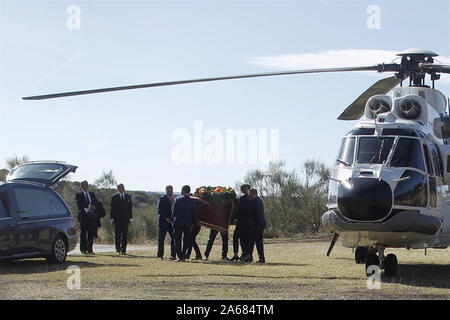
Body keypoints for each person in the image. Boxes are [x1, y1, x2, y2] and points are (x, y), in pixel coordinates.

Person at [76, 181, 105, 255]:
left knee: (91, 233)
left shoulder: (91, 194)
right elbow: (80, 204)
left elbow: (96, 202)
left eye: (87, 185)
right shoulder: (79, 194)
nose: (86, 186)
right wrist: (89, 207)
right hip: (83, 216)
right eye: (85, 185)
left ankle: (90, 249)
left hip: (91, 217)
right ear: (81, 186)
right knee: (83, 233)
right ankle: (83, 249)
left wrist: (94, 207)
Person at [172, 185, 197, 262]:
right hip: (187, 223)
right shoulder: (192, 201)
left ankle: (179, 256)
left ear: (182, 190)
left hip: (178, 222)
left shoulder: (177, 199)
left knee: (177, 240)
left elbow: (174, 211)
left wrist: (172, 218)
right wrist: (194, 222)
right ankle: (183, 255)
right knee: (186, 240)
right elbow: (193, 213)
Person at [231, 184, 254, 262]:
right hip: (250, 222)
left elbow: (239, 209)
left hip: (242, 221)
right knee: (246, 239)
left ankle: (236, 255)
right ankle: (247, 256)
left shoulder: (242, 198)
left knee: (236, 237)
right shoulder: (252, 198)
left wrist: (235, 218)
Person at [110, 183, 133, 255]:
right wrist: (112, 219)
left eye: (123, 187)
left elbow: (130, 209)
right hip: (117, 219)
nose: (123, 189)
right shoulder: (114, 197)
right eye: (121, 187)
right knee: (117, 235)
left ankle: (124, 250)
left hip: (126, 219)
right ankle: (118, 250)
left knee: (125, 235)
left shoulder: (128, 197)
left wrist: (130, 219)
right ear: (118, 189)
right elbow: (112, 209)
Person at [157, 185, 177, 260]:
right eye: (169, 191)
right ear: (166, 190)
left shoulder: (174, 199)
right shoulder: (161, 199)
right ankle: (160, 255)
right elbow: (159, 210)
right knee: (161, 239)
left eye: (172, 191)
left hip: (171, 222)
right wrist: (166, 218)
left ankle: (173, 255)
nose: (171, 192)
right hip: (163, 222)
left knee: (173, 239)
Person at [249, 188, 266, 263]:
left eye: (250, 193)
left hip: (258, 224)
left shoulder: (256, 201)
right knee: (258, 241)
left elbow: (255, 213)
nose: (249, 195)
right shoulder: (259, 200)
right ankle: (261, 258)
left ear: (253, 193)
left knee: (252, 241)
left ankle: (250, 257)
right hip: (260, 223)